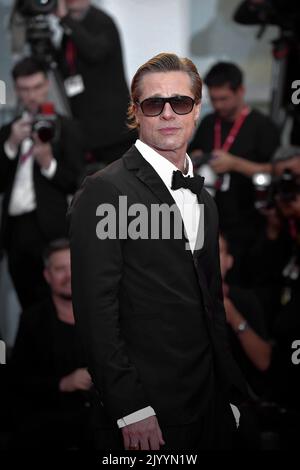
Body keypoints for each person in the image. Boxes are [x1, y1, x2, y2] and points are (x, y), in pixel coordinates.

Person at [69, 52, 246, 451]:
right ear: (136, 112)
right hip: (147, 415)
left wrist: (230, 392)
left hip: (210, 406)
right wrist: (130, 407)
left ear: (197, 109)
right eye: (154, 104)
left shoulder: (205, 200)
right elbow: (96, 312)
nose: (168, 113)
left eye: (180, 102)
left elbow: (211, 305)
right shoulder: (105, 191)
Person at [0, 57, 84, 309]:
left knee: (58, 304)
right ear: (16, 90)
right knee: (27, 302)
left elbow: (77, 181)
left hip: (51, 229)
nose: (32, 95)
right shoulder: (8, 131)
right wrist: (11, 146)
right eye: (25, 89)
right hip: (15, 229)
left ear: (46, 85)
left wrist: (49, 163)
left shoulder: (66, 128)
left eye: (37, 87)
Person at [189, 62, 280, 284]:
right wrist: (195, 158)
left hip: (249, 222)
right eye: (214, 99)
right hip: (211, 220)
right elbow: (189, 158)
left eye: (224, 99)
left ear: (241, 91)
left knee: (245, 285)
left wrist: (235, 164)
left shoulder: (262, 126)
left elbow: (276, 170)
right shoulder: (209, 123)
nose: (219, 105)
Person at [8, 239, 93, 449]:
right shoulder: (32, 321)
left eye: (73, 267)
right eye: (60, 269)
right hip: (53, 428)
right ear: (47, 276)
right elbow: (18, 381)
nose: (69, 275)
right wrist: (63, 383)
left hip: (103, 424)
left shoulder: (104, 314)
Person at [55, 0, 136, 165]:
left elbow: (94, 52)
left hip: (113, 130)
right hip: (87, 127)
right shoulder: (69, 30)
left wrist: (65, 19)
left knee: (119, 185)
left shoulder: (102, 21)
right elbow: (66, 69)